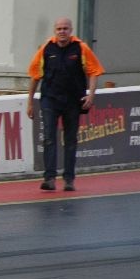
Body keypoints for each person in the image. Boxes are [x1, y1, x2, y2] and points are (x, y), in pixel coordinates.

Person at [26, 17, 105, 192]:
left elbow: (94, 71)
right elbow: (35, 76)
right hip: (50, 99)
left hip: (73, 101)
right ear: (55, 31)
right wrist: (30, 102)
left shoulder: (81, 48)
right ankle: (49, 178)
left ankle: (69, 179)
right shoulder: (46, 48)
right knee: (49, 137)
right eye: (59, 29)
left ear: (71, 30)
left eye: (65, 28)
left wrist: (91, 95)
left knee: (70, 140)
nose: (62, 31)